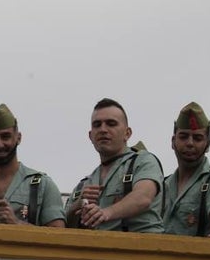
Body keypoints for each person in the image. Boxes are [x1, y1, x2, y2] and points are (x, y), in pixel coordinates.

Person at [66, 98, 163, 233]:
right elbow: (64, 227)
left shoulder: (143, 161)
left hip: (141, 248)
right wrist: (77, 205)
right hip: (99, 250)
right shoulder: (84, 185)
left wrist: (106, 212)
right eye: (97, 125)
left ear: (127, 133)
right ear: (90, 135)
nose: (103, 129)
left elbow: (143, 197)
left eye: (111, 124)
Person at [0, 104, 65, 227]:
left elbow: (58, 237)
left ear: (18, 138)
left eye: (5, 136)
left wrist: (16, 223)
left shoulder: (42, 185)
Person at [160, 102, 210, 244]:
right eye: (184, 136)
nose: (190, 143)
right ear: (173, 142)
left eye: (197, 138)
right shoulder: (161, 185)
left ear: (208, 145)